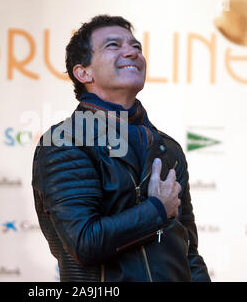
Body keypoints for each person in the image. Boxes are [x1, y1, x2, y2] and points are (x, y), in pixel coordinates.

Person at [31, 15, 210, 282]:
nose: (131, 52)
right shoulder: (65, 140)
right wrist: (157, 211)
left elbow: (188, 251)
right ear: (83, 72)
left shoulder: (167, 147)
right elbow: (84, 243)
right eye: (113, 45)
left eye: (136, 46)